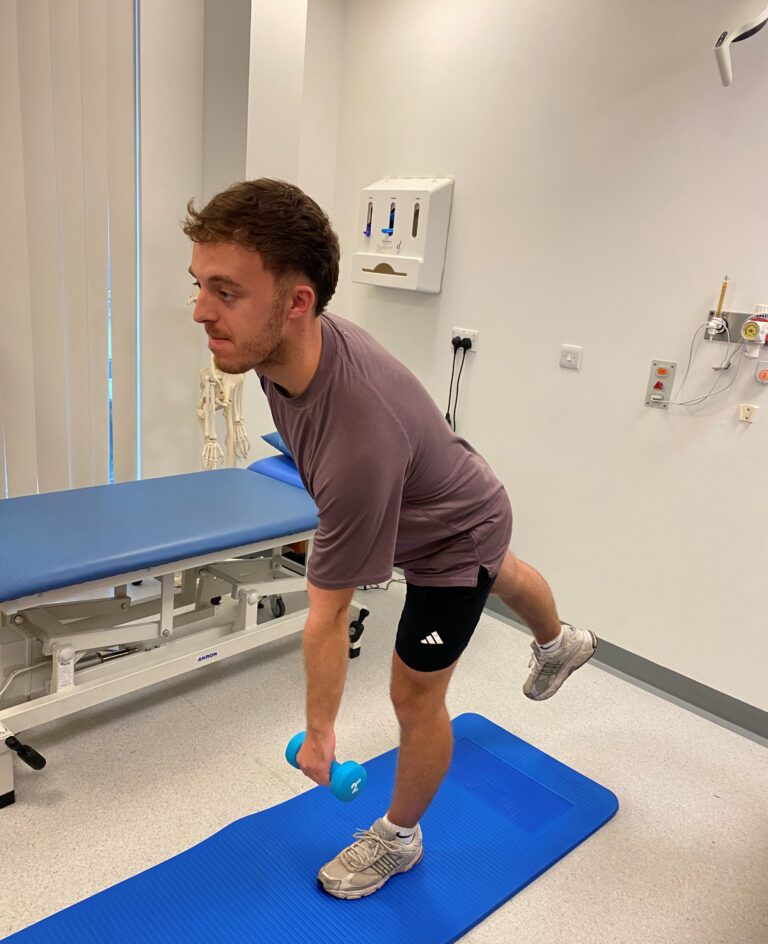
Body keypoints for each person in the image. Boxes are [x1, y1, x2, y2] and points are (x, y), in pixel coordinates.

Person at [182, 179, 597, 900]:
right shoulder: (281, 350)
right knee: (500, 565)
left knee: (415, 695)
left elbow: (329, 616)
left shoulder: (357, 439)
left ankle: (399, 839)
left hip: (449, 536)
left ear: (298, 301)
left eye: (225, 292)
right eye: (199, 286)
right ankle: (559, 643)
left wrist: (319, 736)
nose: (200, 311)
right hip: (458, 492)